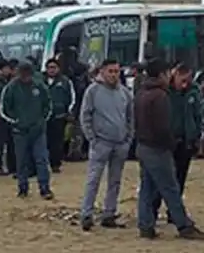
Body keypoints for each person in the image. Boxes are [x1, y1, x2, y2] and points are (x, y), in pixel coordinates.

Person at [134, 59, 204, 240]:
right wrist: (171, 143)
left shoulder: (141, 93)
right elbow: (163, 126)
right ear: (162, 74)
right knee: (171, 188)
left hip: (143, 145)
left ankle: (145, 225)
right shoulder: (161, 96)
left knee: (147, 188)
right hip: (158, 148)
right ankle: (184, 225)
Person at [78, 58, 134, 231]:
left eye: (117, 71)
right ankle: (86, 214)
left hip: (120, 144)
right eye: (110, 71)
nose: (114, 75)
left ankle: (109, 214)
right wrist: (92, 139)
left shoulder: (125, 93)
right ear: (102, 71)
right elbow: (85, 116)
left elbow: (131, 118)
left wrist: (128, 139)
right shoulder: (93, 91)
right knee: (93, 180)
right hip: (100, 143)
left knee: (115, 181)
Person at [152, 63, 202, 224]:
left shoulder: (194, 92)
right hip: (168, 142)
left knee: (180, 179)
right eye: (183, 80)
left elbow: (198, 115)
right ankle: (152, 210)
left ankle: (174, 212)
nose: (185, 84)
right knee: (162, 179)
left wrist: (196, 136)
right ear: (175, 76)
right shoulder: (165, 93)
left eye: (188, 80)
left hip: (186, 142)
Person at [0, 62, 53, 199]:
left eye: (28, 74)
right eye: (23, 74)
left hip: (38, 130)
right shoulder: (11, 87)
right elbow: (4, 108)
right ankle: (23, 188)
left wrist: (41, 121)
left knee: (41, 159)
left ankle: (45, 188)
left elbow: (48, 105)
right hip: (20, 131)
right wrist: (16, 121)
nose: (25, 77)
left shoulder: (39, 86)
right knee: (21, 161)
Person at [44, 58, 76, 173]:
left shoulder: (65, 81)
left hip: (59, 116)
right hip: (43, 117)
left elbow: (72, 98)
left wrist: (68, 111)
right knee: (43, 141)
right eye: (49, 68)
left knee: (57, 142)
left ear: (58, 68)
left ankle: (55, 164)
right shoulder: (40, 81)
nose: (51, 70)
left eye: (54, 67)